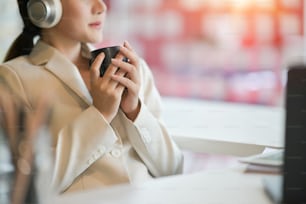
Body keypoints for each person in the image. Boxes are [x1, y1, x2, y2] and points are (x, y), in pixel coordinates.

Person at [0, 0, 183, 195]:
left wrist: (135, 112)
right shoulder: (13, 79)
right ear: (45, 5)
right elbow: (26, 186)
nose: (101, 7)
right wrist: (100, 115)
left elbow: (172, 169)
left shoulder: (130, 70)